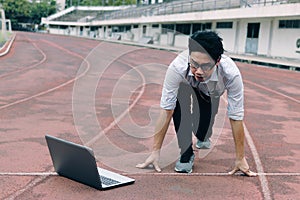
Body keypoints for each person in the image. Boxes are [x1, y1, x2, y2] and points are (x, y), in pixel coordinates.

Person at [136, 31, 256, 176]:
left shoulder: (231, 74)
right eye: (194, 64)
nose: (198, 71)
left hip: (210, 93)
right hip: (186, 85)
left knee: (202, 131)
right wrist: (155, 151)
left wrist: (240, 158)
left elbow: (236, 117)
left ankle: (204, 135)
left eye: (205, 66)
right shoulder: (177, 67)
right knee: (179, 99)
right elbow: (167, 110)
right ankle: (186, 153)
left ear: (217, 61)